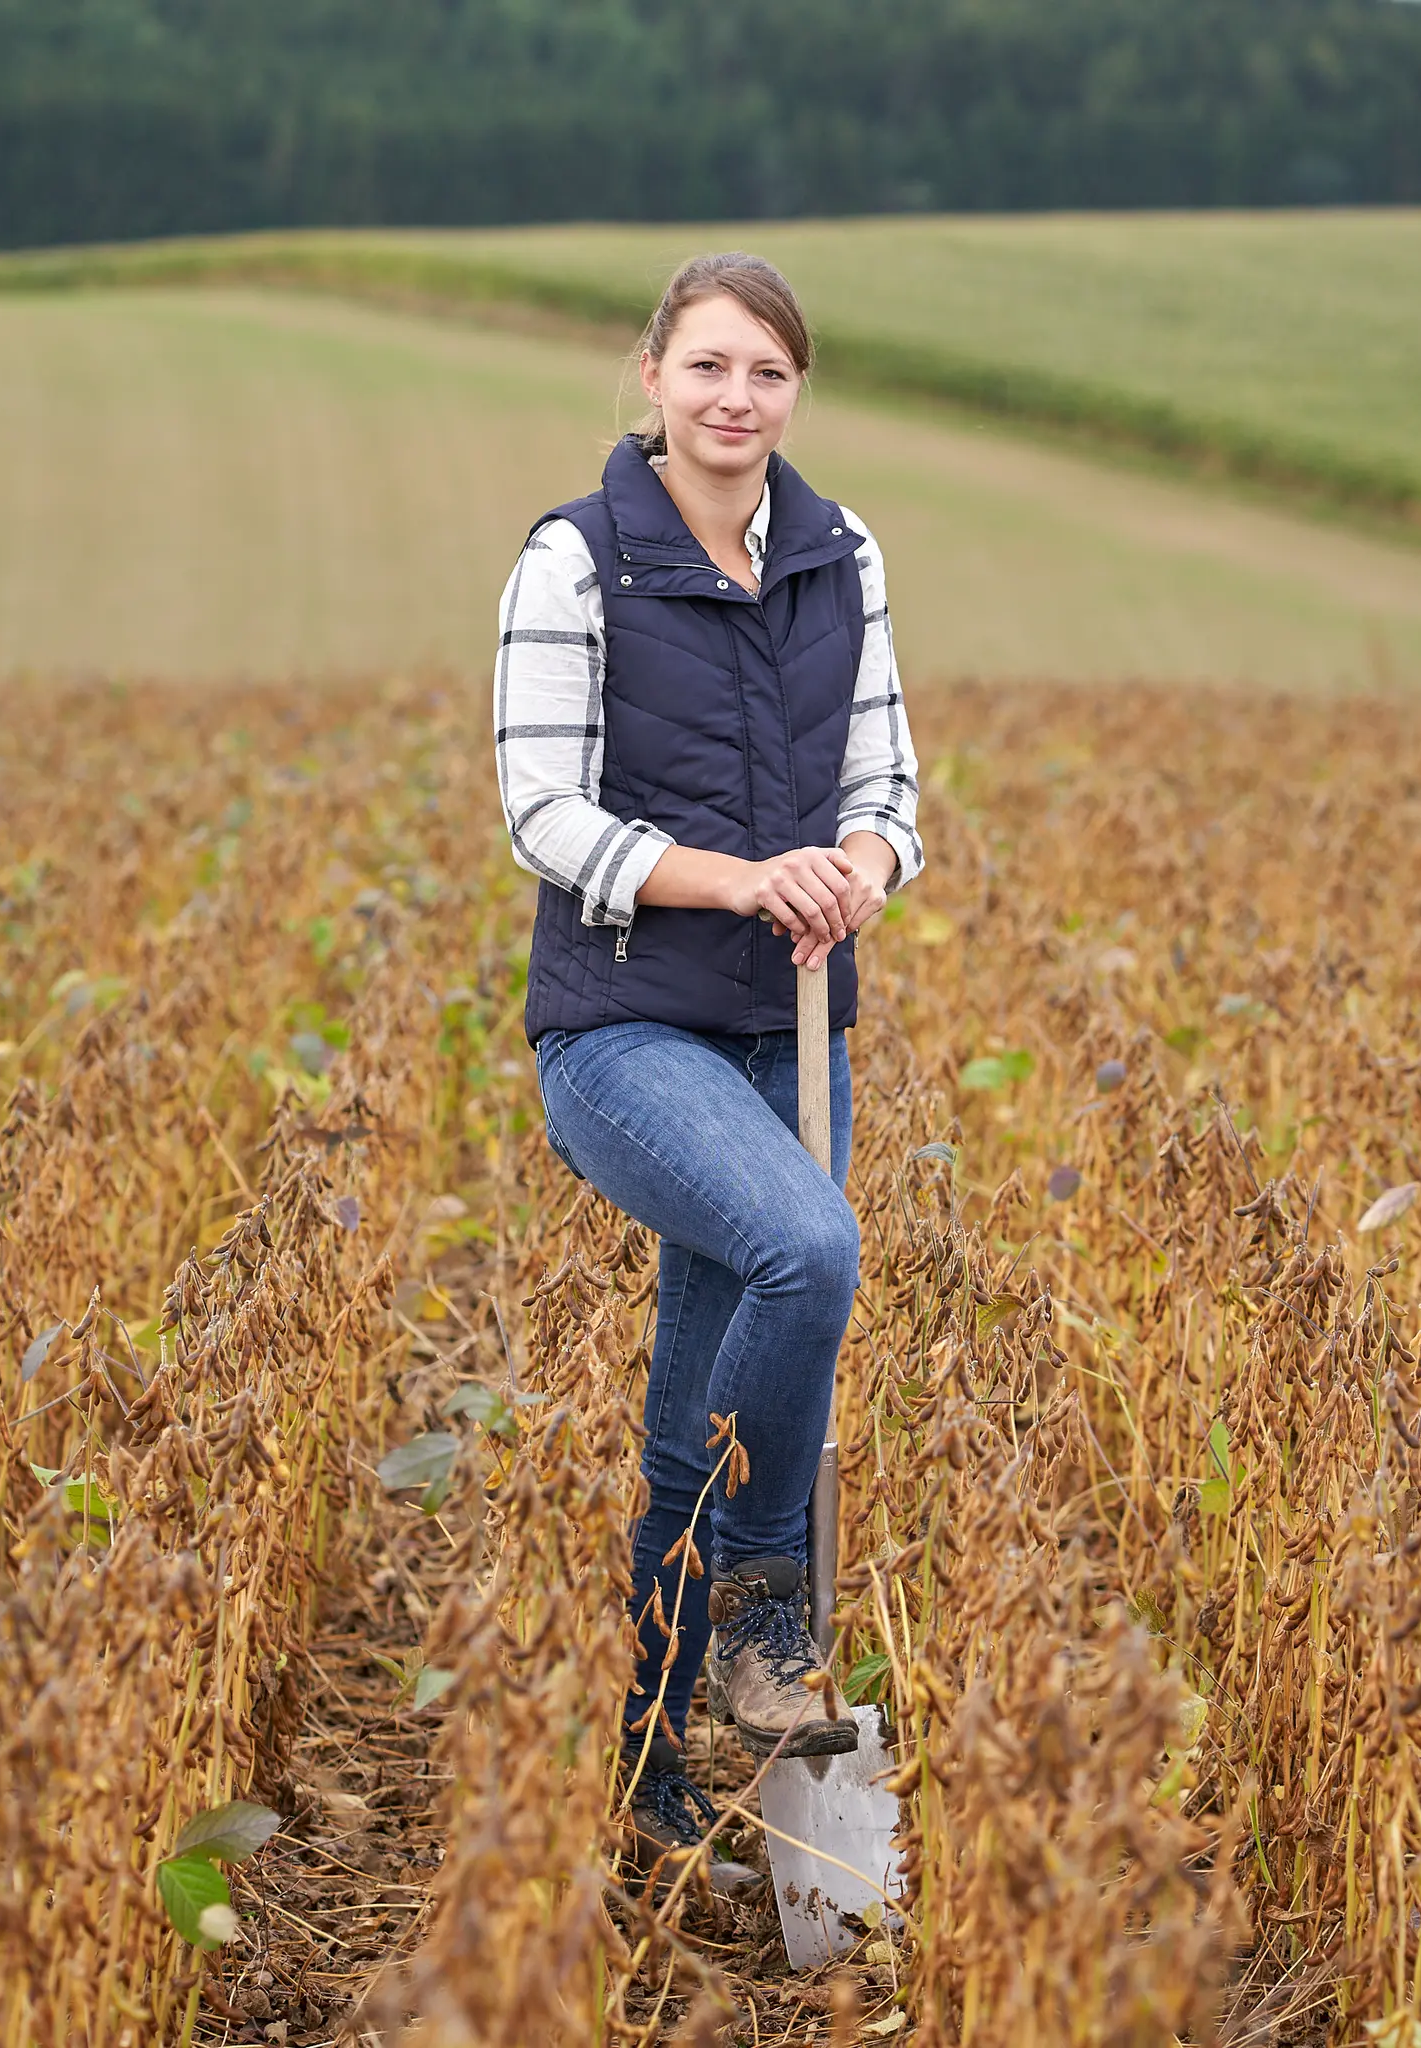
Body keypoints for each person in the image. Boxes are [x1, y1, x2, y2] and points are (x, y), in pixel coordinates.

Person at [493, 252, 924, 1878]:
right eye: (709, 367)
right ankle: (759, 1607)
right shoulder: (576, 558)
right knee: (809, 1249)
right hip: (623, 1029)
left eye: (768, 373)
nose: (736, 399)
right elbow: (543, 813)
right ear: (655, 377)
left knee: (696, 1416)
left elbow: (888, 787)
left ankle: (644, 1775)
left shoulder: (840, 552)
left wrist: (861, 867)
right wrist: (740, 879)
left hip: (791, 1030)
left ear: (795, 391)